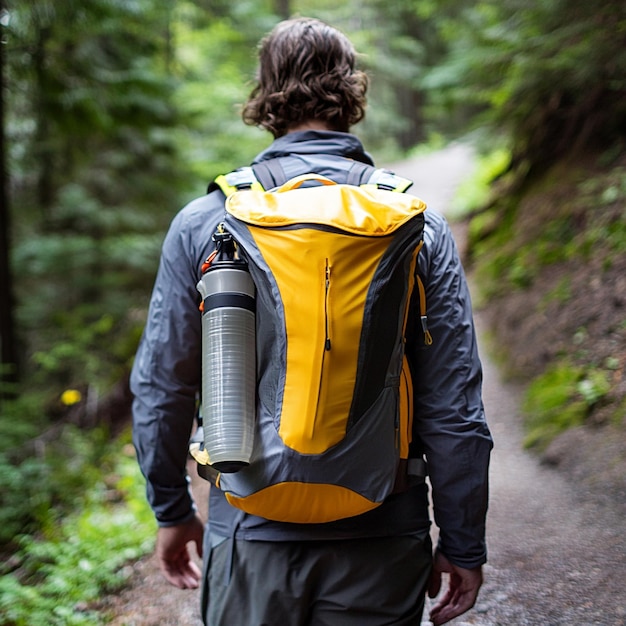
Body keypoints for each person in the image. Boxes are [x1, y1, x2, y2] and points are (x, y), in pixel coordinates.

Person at [131, 17, 493, 626]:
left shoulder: (205, 221)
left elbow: (162, 384)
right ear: (352, 93)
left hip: (248, 531)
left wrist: (171, 512)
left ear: (265, 96)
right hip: (383, 528)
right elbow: (454, 403)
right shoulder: (412, 223)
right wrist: (462, 543)